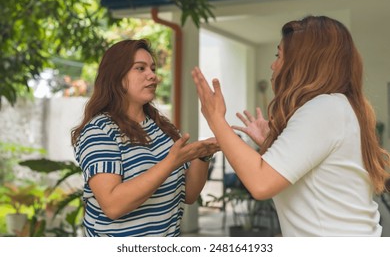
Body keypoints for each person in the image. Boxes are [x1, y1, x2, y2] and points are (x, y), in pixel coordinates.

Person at [192, 15, 390, 236]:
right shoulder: (339, 107)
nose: (273, 64)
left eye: (279, 55)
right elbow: (309, 181)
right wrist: (273, 143)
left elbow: (261, 183)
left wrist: (216, 119)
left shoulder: (324, 108)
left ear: (303, 63)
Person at [71, 39, 219, 237]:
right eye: (140, 68)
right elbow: (113, 205)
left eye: (152, 68)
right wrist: (171, 162)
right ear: (116, 76)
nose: (152, 76)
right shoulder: (99, 130)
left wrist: (203, 156)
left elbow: (190, 195)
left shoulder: (162, 127)